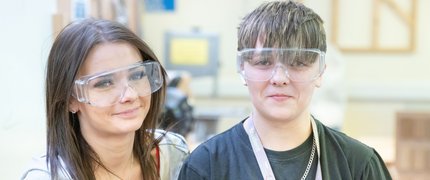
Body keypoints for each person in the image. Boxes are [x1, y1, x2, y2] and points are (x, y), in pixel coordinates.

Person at [178, 1, 392, 179]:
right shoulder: (206, 165)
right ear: (242, 68)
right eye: (263, 62)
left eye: (297, 63)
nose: (279, 78)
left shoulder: (359, 165)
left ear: (321, 71)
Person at [21, 19, 189, 180]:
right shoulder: (47, 177)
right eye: (105, 83)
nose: (130, 95)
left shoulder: (172, 153)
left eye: (137, 75)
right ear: (70, 100)